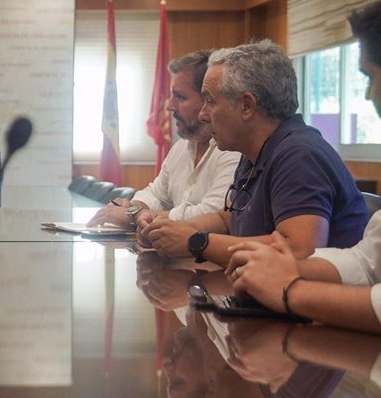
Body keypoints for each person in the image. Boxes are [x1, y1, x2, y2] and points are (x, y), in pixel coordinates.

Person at [227, 0, 381, 333]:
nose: (368, 95)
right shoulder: (256, 152)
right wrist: (282, 268)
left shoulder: (299, 152)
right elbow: (367, 264)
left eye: (369, 77)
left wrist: (290, 289)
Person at [140, 39, 367, 265]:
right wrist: (169, 231)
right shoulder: (256, 151)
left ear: (247, 106)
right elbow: (228, 219)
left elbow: (299, 250)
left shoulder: (299, 155)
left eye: (209, 101)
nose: (202, 115)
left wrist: (196, 242)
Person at [88, 50, 239, 229]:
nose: (169, 105)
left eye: (180, 97)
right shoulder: (181, 147)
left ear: (208, 99)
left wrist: (134, 216)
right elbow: (156, 195)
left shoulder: (234, 150)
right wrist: (133, 207)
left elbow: (211, 214)